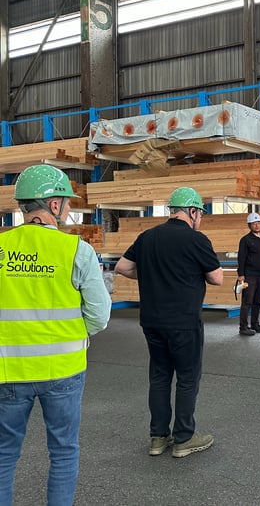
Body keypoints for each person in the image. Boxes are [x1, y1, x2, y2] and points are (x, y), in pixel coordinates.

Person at [0, 164, 111, 506]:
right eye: (66, 201)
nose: (68, 208)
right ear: (53, 205)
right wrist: (70, 333)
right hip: (63, 371)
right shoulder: (77, 251)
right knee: (62, 452)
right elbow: (100, 316)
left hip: (8, 371)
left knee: (4, 455)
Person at [115, 186, 223, 458]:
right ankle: (184, 438)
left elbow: (122, 267)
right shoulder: (197, 240)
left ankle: (158, 437)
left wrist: (155, 276)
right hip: (184, 322)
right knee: (187, 378)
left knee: (160, 376)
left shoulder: (147, 237)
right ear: (193, 211)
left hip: (151, 321)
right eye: (200, 214)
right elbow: (217, 278)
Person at [237, 212, 260, 336]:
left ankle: (255, 324)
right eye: (254, 223)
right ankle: (243, 327)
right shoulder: (245, 240)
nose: (257, 225)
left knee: (258, 300)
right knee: (247, 301)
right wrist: (241, 274)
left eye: (258, 223)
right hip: (249, 275)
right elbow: (241, 258)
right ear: (249, 225)